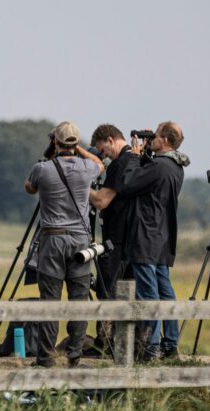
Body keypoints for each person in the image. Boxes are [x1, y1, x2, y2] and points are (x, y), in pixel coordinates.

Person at [96, 121, 188, 360]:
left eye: (155, 136)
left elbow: (127, 183)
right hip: (162, 237)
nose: (152, 139)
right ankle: (171, 343)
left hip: (145, 238)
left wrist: (136, 157)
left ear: (165, 140)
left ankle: (151, 347)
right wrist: (145, 156)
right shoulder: (176, 167)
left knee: (148, 294)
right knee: (165, 291)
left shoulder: (159, 166)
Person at [24, 121, 104, 368]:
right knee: (79, 299)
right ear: (76, 143)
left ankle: (46, 357)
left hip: (52, 240)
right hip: (80, 240)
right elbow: (100, 165)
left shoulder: (43, 168)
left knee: (50, 300)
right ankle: (74, 354)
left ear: (55, 142)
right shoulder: (87, 167)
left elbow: (29, 188)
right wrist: (79, 149)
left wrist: (52, 152)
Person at [88, 124, 139, 352]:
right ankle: (128, 346)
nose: (103, 154)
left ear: (110, 140)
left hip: (115, 239)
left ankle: (104, 345)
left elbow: (101, 201)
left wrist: (79, 187)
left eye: (103, 149)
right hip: (134, 239)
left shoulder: (120, 164)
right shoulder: (136, 160)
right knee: (130, 293)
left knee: (106, 291)